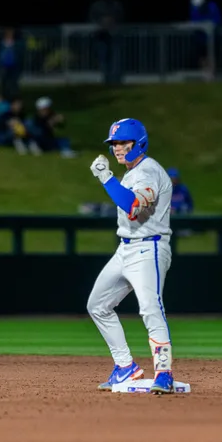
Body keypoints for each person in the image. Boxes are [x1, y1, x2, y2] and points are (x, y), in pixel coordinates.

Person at [87, 118, 175, 395]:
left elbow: (134, 206)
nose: (117, 148)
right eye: (114, 143)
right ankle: (125, 367)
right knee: (97, 305)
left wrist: (105, 177)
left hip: (149, 248)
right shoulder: (131, 172)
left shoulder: (148, 171)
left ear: (140, 143)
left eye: (123, 143)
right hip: (125, 248)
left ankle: (164, 372)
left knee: (150, 308)